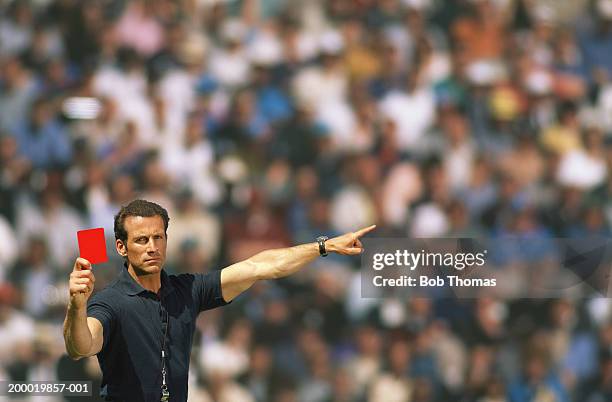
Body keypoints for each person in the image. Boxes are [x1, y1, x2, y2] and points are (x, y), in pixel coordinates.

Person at [62, 199, 375, 401]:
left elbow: (261, 266)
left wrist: (323, 247)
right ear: (121, 247)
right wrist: (77, 305)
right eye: (141, 240)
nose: (152, 247)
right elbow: (81, 346)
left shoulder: (187, 289)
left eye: (158, 238)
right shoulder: (111, 301)